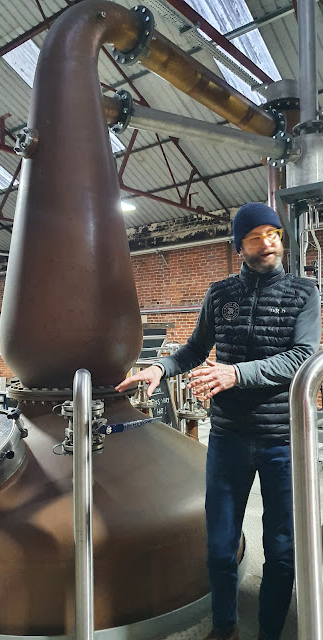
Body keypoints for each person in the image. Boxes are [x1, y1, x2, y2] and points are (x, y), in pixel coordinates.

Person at [116, 202, 321, 640]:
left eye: (273, 233)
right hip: (227, 439)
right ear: (239, 245)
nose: (267, 242)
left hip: (282, 439)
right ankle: (225, 626)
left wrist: (235, 373)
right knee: (220, 546)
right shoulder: (220, 293)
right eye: (254, 236)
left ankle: (269, 632)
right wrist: (158, 368)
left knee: (282, 549)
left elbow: (303, 357)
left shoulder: (305, 293)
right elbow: (191, 351)